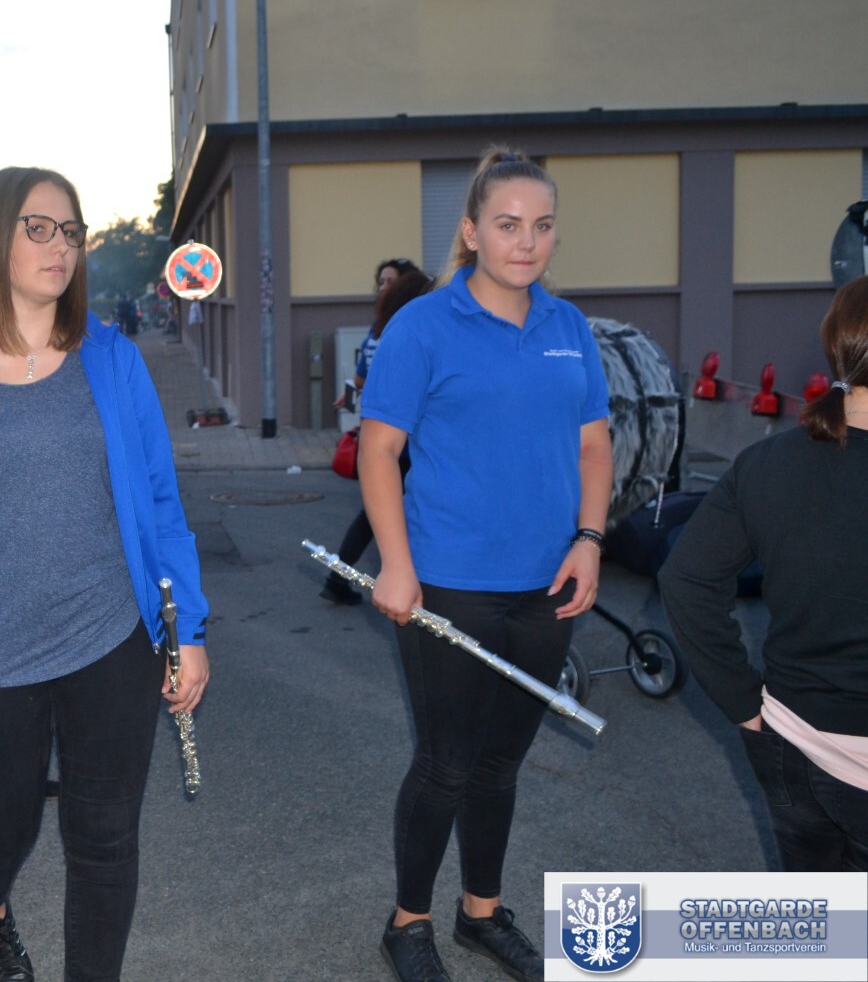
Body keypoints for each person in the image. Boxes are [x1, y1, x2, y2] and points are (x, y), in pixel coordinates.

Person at [0, 166, 210, 982]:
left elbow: (160, 502)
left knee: (105, 841)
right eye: (39, 228)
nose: (60, 246)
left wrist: (190, 630)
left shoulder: (112, 359)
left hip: (111, 639)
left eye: (71, 231)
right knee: (0, 836)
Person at [359, 148, 612, 982]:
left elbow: (594, 445)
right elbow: (379, 450)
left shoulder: (568, 327)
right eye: (508, 225)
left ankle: (480, 913)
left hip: (547, 588)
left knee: (501, 763)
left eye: (542, 226)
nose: (526, 242)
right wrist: (396, 566)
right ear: (471, 231)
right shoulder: (423, 326)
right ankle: (408, 924)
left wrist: (590, 539)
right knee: (446, 764)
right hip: (450, 584)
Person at [659, 276, 868, 871]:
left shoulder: (764, 463)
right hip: (799, 739)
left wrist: (745, 705)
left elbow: (685, 580)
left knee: (822, 921)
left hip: (790, 742)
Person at [323, 265, 432, 605]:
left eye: (389, 282)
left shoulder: (378, 330)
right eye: (381, 281)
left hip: (382, 432)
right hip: (405, 439)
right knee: (390, 514)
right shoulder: (414, 331)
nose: (383, 287)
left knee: (376, 514)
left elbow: (360, 378)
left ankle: (338, 577)